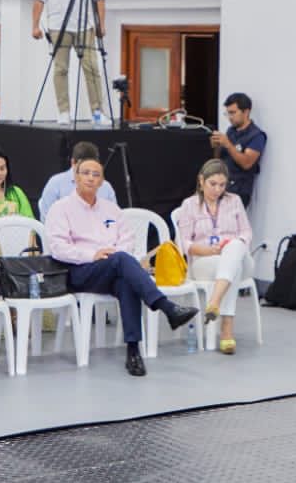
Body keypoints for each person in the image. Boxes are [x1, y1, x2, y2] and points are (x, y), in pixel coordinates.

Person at [45, 156, 198, 376]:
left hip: (112, 267)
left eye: (96, 175)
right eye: (85, 173)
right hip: (79, 270)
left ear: (102, 181)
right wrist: (93, 255)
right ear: (75, 178)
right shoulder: (61, 208)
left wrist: (113, 254)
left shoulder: (111, 209)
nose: (90, 178)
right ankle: (166, 307)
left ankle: (133, 352)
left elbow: (127, 239)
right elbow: (58, 247)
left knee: (126, 281)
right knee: (121, 260)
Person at [172, 160, 255, 355]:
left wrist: (231, 245)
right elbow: (183, 243)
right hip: (203, 261)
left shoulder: (234, 201)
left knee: (235, 247)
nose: (218, 190)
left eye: (222, 185)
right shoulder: (189, 205)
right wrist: (208, 250)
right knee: (233, 266)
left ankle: (214, 301)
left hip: (234, 255)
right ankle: (227, 329)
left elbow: (246, 232)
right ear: (201, 181)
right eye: (213, 184)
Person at [31, 0, 109, 123]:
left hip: (84, 25)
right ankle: (63, 111)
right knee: (60, 69)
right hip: (58, 25)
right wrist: (35, 25)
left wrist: (101, 24)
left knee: (91, 68)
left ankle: (97, 113)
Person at [211, 93, 267, 208]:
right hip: (221, 186)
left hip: (238, 191)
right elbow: (219, 159)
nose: (230, 117)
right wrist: (216, 147)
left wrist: (228, 144)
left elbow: (247, 163)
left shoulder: (256, 136)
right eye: (228, 113)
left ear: (246, 112)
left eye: (233, 113)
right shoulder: (231, 131)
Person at [37, 141, 117, 219]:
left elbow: (114, 218)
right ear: (73, 163)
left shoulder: (105, 187)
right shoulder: (56, 184)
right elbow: (47, 218)